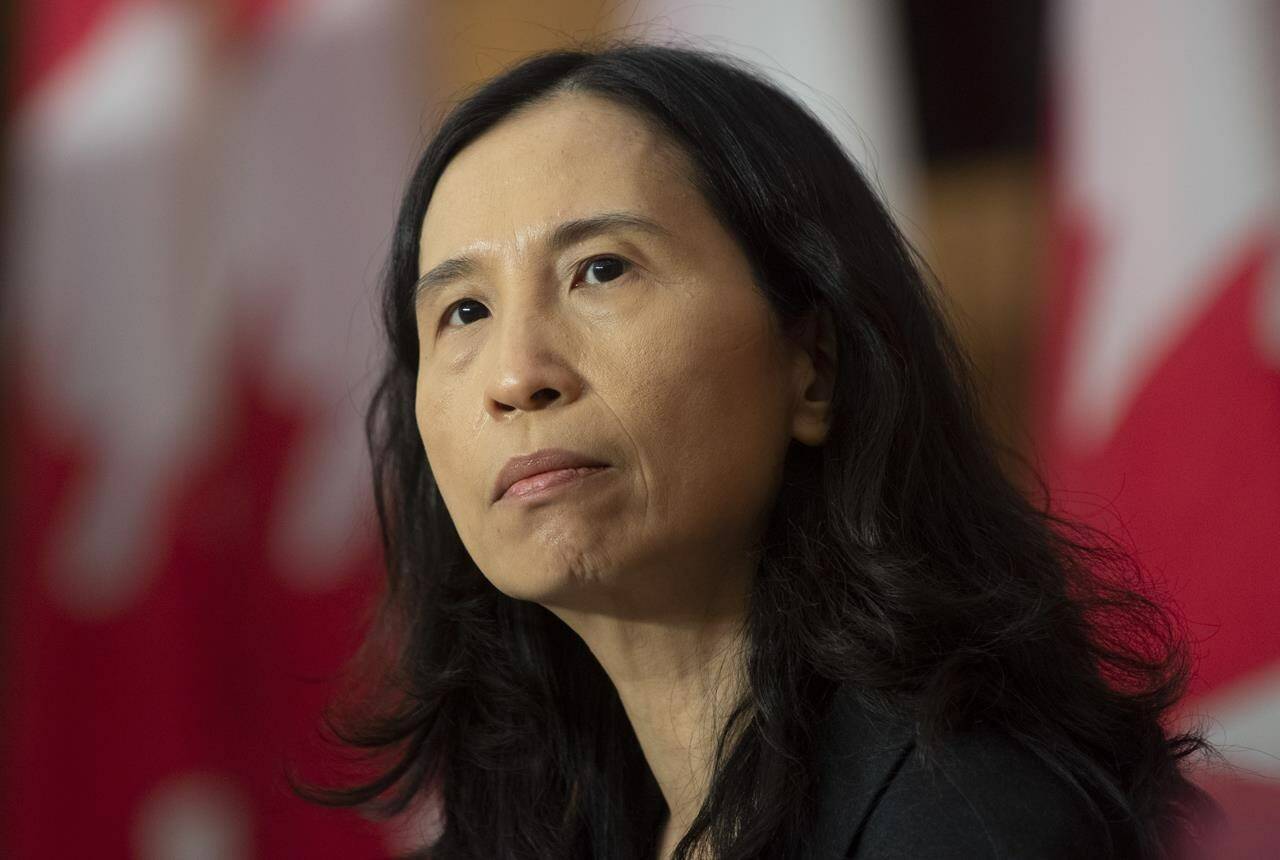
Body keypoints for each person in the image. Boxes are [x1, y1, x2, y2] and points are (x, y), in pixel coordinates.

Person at [292, 41, 1223, 859]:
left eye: (601, 269)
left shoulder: (981, 823)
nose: (516, 376)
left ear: (812, 366)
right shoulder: (522, 835)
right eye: (463, 312)